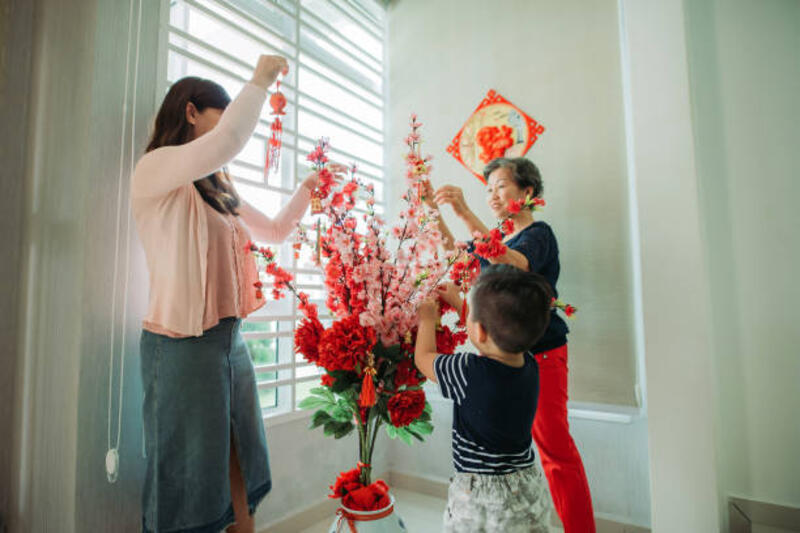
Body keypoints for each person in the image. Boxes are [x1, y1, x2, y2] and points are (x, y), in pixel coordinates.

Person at [132, 55, 344, 533]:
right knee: (186, 478)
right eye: (219, 115)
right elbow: (230, 139)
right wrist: (261, 80)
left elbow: (271, 230)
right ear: (190, 112)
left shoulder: (216, 185)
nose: (226, 128)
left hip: (230, 344)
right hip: (181, 345)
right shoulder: (155, 170)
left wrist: (308, 189)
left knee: (240, 465)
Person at [425, 157, 595, 532]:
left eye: (500, 186)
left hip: (542, 355)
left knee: (554, 451)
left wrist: (464, 209)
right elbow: (457, 253)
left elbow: (514, 263)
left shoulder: (538, 235)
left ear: (527, 192)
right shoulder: (495, 241)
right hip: (504, 363)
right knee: (516, 456)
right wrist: (430, 207)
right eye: (488, 190)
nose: (493, 196)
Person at [415, 265, 553, 532]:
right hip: (526, 487)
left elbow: (423, 359)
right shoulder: (530, 364)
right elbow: (491, 334)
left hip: (479, 497)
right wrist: (458, 301)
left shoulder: (467, 372)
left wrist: (427, 320)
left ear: (479, 331)